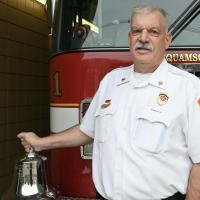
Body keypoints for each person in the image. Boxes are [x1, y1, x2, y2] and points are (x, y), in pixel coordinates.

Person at [17, 4, 200, 200]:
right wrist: (41, 143)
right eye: (136, 31)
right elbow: (86, 130)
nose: (143, 38)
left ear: (167, 40)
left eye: (153, 32)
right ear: (130, 38)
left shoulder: (189, 88)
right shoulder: (111, 81)